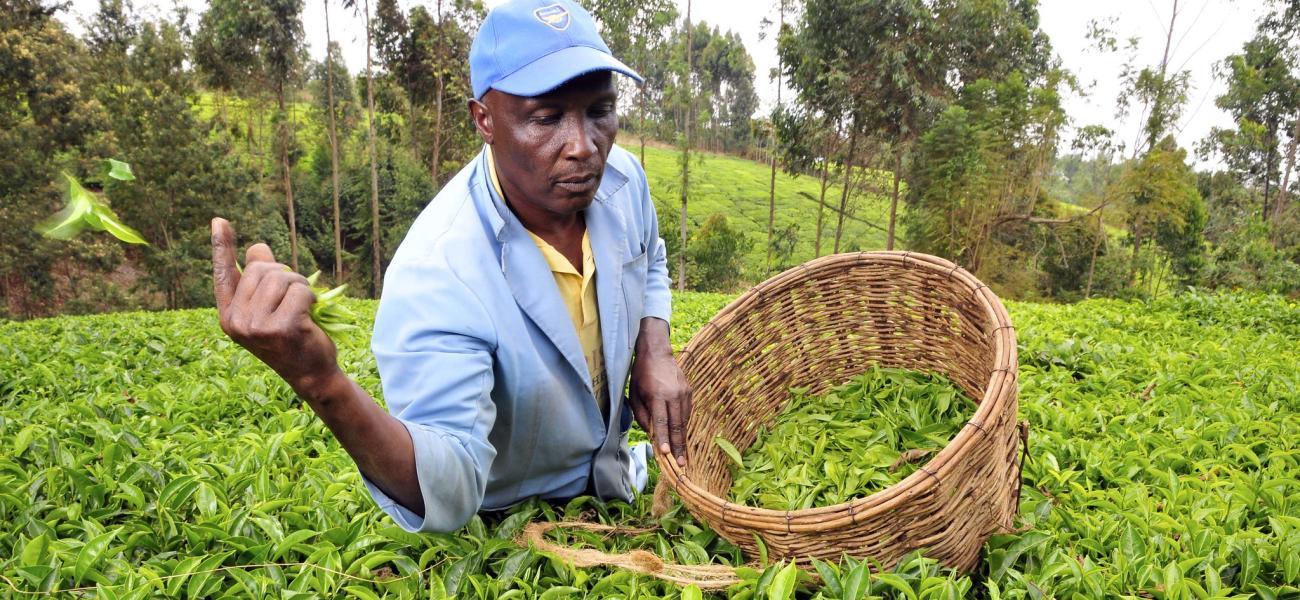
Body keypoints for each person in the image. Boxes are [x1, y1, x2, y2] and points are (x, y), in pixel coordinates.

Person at [209, 0, 691, 533]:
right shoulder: (439, 269)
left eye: (599, 111)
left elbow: (651, 258)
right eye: (546, 117)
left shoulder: (623, 181)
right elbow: (449, 480)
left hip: (620, 475)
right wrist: (320, 381)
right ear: (484, 119)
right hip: (522, 522)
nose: (583, 147)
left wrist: (655, 345)